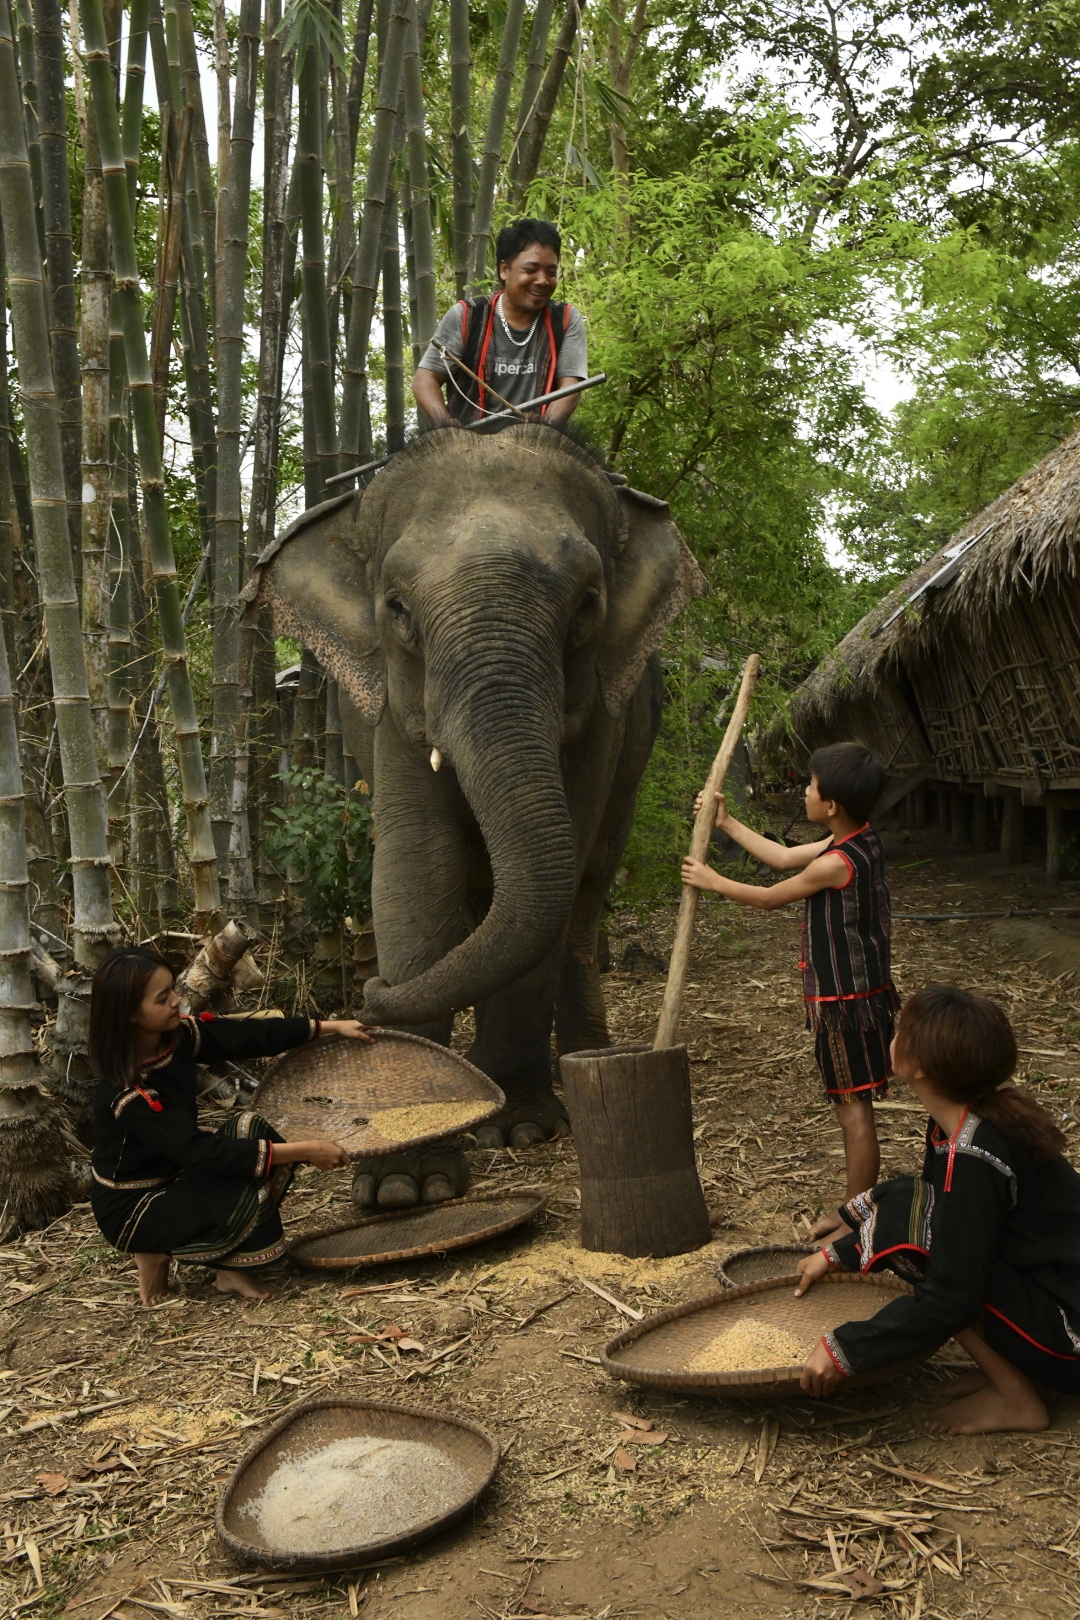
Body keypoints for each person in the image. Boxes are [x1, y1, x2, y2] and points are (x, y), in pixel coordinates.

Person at [794, 985, 1080, 1434]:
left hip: (1070, 1336)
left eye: (901, 1030)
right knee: (924, 1216)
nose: (893, 1034)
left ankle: (1016, 1398)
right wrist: (840, 1251)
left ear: (921, 1067)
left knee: (925, 1247)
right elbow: (926, 1200)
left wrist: (845, 1349)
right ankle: (1008, 1372)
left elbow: (951, 1293)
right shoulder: (972, 1119)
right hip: (1053, 1291)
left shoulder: (976, 1154)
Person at [88, 946, 373, 1306]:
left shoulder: (177, 1037)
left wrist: (328, 1028)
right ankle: (157, 1249)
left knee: (250, 1128)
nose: (177, 1001)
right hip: (134, 1208)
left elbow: (247, 1036)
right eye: (163, 999)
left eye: (173, 989)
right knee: (241, 1188)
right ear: (130, 1014)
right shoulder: (127, 1092)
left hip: (179, 1180)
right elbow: (201, 1152)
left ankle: (220, 1267)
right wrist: (305, 1150)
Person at [682, 741, 898, 1206]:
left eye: (811, 785)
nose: (804, 791)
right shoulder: (857, 839)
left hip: (847, 1006)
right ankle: (857, 1210)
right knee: (854, 1108)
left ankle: (854, 1216)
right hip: (866, 995)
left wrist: (711, 881)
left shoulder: (835, 864)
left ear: (831, 805)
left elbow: (769, 896)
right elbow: (781, 858)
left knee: (854, 1114)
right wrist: (726, 822)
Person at [412, 217, 587, 428]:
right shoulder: (467, 316)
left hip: (535, 446)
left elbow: (571, 388)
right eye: (531, 270)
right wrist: (446, 425)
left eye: (551, 272)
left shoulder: (567, 319)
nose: (542, 281)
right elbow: (425, 380)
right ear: (504, 269)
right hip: (469, 447)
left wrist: (544, 430)